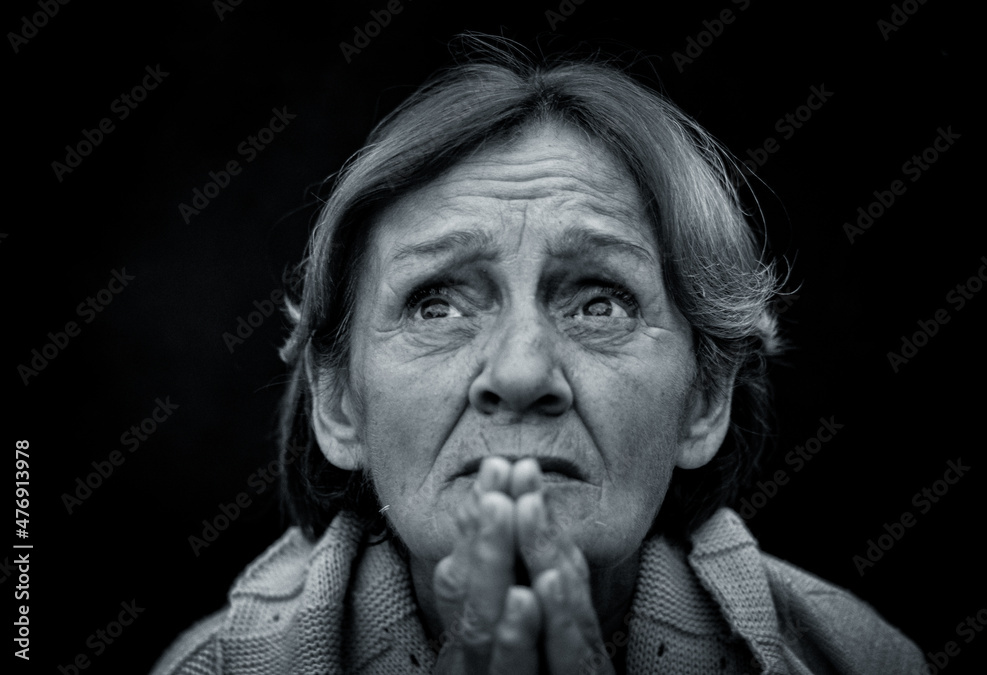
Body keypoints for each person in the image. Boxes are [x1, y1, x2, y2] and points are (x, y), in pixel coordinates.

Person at [152, 39, 926, 674]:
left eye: (600, 304)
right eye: (437, 304)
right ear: (338, 403)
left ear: (705, 398)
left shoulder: (857, 660)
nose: (520, 375)